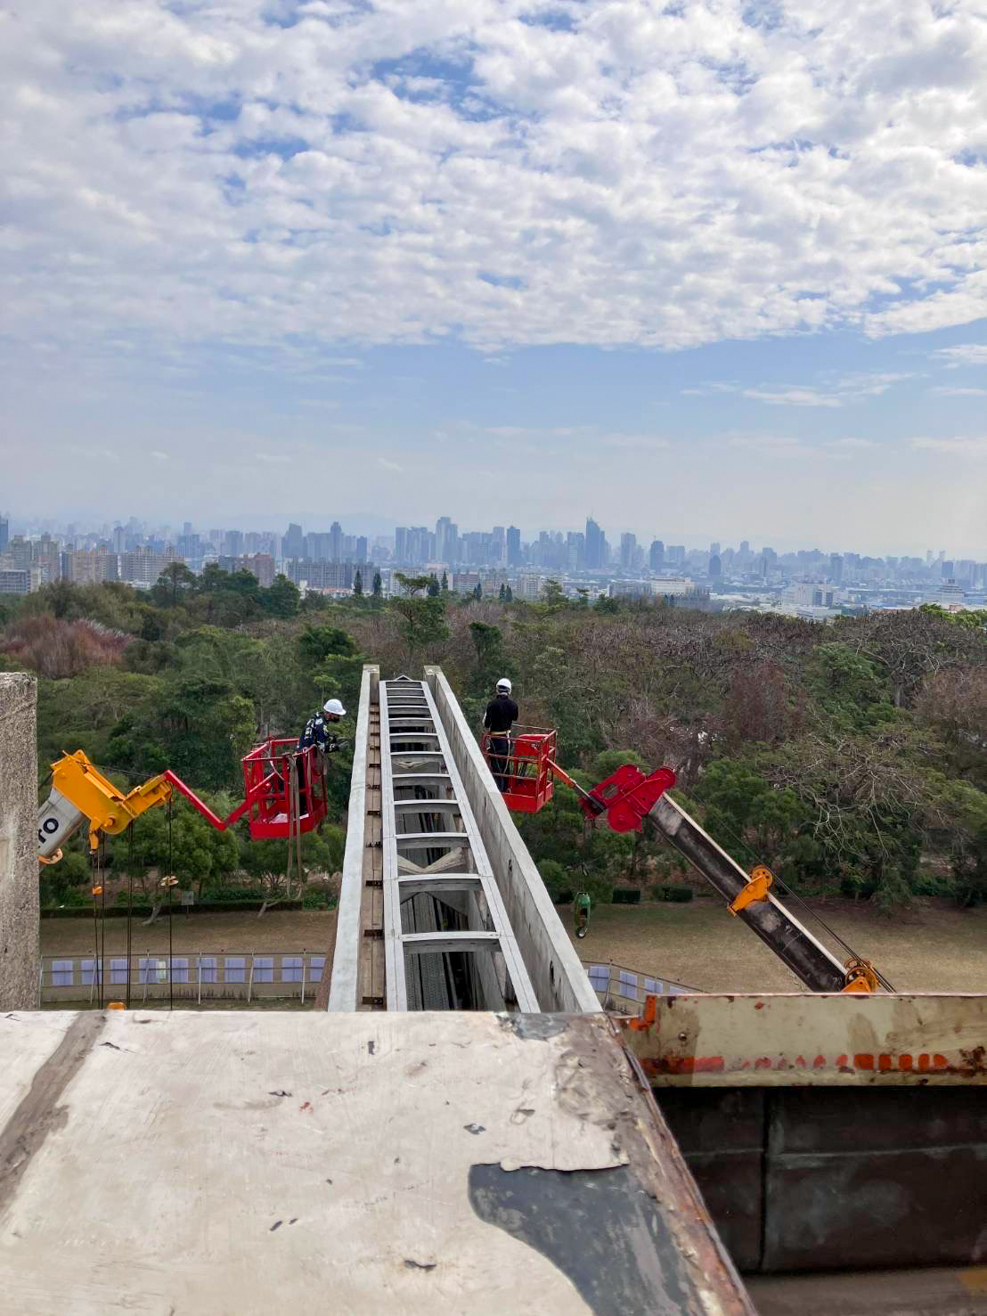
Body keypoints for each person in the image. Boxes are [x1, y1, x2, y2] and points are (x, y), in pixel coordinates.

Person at [291, 698, 346, 815]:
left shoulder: (317, 718)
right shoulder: (321, 726)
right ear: (331, 714)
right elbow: (322, 747)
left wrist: (333, 739)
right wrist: (336, 747)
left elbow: (316, 738)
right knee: (302, 786)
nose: (339, 718)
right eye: (337, 715)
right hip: (303, 758)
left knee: (303, 784)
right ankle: (300, 813)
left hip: (301, 755)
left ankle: (302, 810)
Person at [483, 678, 518, 792]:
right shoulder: (513, 705)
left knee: (496, 765)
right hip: (508, 740)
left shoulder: (492, 705)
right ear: (509, 690)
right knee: (506, 764)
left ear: (497, 689)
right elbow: (515, 718)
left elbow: (487, 724)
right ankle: (506, 788)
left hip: (496, 740)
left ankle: (499, 789)